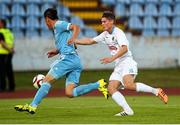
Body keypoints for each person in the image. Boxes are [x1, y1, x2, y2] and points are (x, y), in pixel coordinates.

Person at [14, 8, 108, 114]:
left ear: (48, 19)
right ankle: (99, 84)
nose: (46, 24)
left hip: (67, 59)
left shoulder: (58, 24)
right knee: (70, 93)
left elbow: (76, 27)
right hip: (75, 61)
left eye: (45, 21)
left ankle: (32, 106)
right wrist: (57, 50)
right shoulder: (57, 29)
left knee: (46, 81)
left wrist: (73, 38)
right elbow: (65, 43)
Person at [75, 11, 168, 116]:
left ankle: (156, 91)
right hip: (119, 64)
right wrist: (74, 41)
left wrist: (111, 58)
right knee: (111, 88)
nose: (102, 24)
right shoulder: (105, 35)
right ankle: (128, 111)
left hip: (127, 61)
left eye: (104, 21)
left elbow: (125, 48)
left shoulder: (118, 33)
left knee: (128, 84)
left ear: (111, 22)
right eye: (101, 22)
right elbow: (90, 41)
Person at [0, 19, 15, 92]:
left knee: (2, 71)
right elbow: (11, 42)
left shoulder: (1, 32)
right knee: (9, 71)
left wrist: (10, 50)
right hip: (9, 54)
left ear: (2, 24)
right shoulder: (9, 32)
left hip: (2, 54)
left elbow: (2, 43)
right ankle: (12, 87)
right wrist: (11, 50)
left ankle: (2, 87)